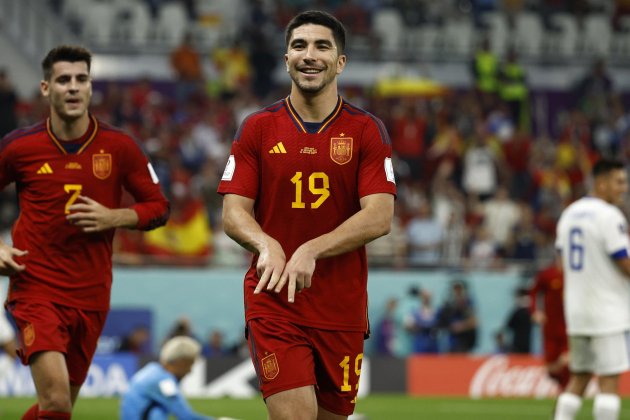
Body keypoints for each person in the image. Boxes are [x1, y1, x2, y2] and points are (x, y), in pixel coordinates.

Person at [218, 10, 396, 420]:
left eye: (322, 46)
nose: (309, 55)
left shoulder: (367, 130)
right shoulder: (258, 128)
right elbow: (233, 213)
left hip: (342, 309)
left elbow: (379, 216)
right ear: (286, 59)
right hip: (275, 302)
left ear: (340, 62)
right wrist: (266, 244)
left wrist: (311, 249)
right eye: (299, 46)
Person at [0, 45, 170, 419]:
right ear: (46, 88)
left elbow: (159, 207)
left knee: (58, 408)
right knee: (57, 400)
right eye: (64, 80)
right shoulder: (18, 147)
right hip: (35, 286)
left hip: (92, 293)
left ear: (91, 87)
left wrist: (115, 217)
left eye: (82, 79)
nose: (73, 87)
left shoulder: (120, 146)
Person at [553, 159, 630, 420]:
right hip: (607, 312)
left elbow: (561, 264)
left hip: (576, 312)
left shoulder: (569, 214)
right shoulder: (609, 216)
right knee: (609, 383)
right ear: (601, 182)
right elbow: (624, 262)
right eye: (619, 182)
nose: (624, 188)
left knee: (580, 378)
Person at [120, 336, 216, 420]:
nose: (190, 371)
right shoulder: (163, 382)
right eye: (190, 364)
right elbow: (186, 416)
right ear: (182, 362)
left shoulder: (152, 370)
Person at [529, 260, 569, 389]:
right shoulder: (548, 274)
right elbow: (533, 292)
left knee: (567, 362)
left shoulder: (577, 274)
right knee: (551, 368)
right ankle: (566, 392)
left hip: (571, 327)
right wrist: (535, 311)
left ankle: (567, 395)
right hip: (550, 327)